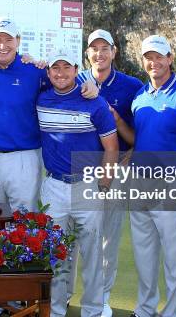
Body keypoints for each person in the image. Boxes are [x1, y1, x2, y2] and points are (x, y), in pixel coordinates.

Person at [0, 16, 97, 213]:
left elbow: (64, 78)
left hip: (24, 157)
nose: (3, 45)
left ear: (18, 41)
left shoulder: (34, 70)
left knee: (25, 221)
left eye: (8, 39)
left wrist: (89, 82)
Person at [37, 51, 119, 317]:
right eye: (55, 68)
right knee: (57, 252)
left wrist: (104, 184)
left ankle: (93, 310)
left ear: (76, 70)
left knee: (92, 254)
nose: (60, 73)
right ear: (48, 73)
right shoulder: (41, 99)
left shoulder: (94, 102)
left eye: (66, 68)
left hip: (88, 186)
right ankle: (57, 310)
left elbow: (111, 147)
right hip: (54, 186)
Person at [129, 35, 176, 317]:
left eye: (159, 56)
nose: (154, 62)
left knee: (173, 257)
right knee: (143, 254)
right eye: (148, 57)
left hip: (173, 182)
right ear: (143, 61)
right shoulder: (140, 96)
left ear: (170, 58)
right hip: (140, 182)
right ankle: (145, 309)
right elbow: (141, 137)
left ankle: (171, 312)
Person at [75, 29, 143, 316]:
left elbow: (140, 134)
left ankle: (101, 298)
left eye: (105, 48)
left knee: (107, 240)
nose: (99, 54)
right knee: (74, 238)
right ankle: (66, 294)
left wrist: (128, 156)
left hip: (113, 174)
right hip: (77, 173)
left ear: (114, 52)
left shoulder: (131, 86)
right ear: (87, 53)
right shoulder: (74, 79)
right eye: (94, 48)